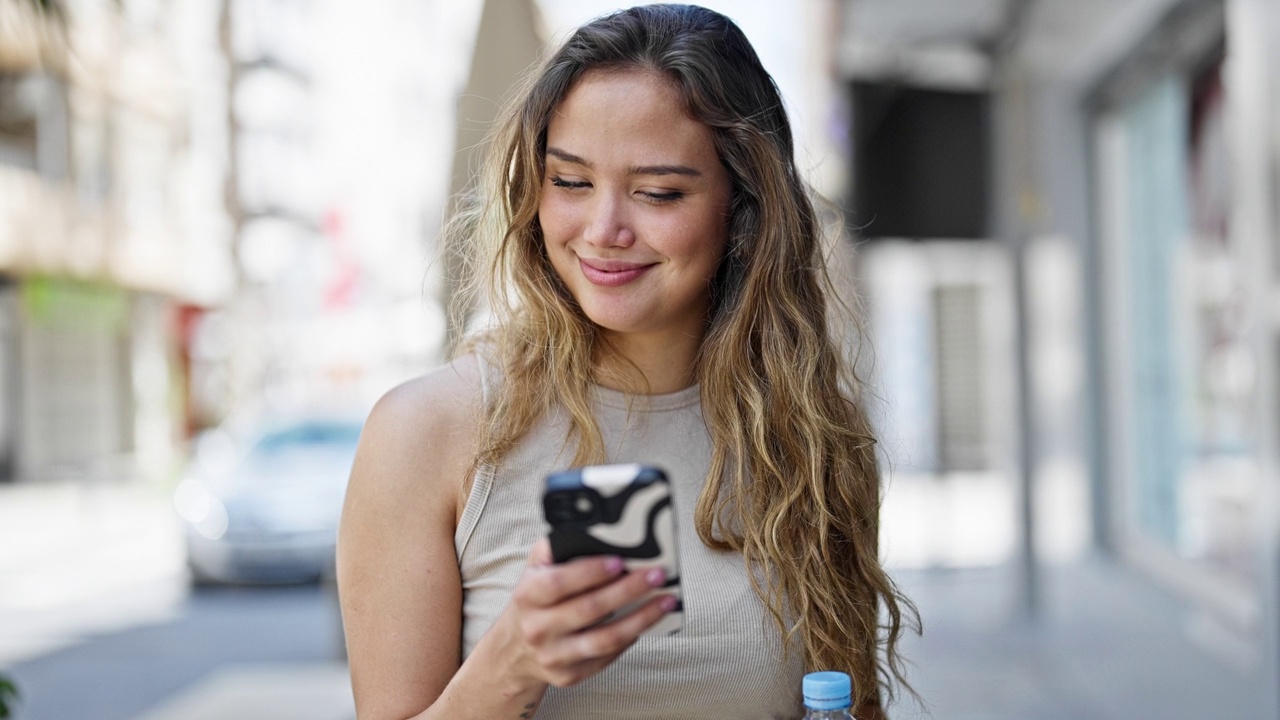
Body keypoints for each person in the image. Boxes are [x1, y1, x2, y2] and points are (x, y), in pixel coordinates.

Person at [337, 4, 917, 719]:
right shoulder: (425, 433)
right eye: (571, 182)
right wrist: (509, 667)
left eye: (657, 192)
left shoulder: (810, 435)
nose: (603, 231)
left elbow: (848, 702)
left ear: (745, 211)